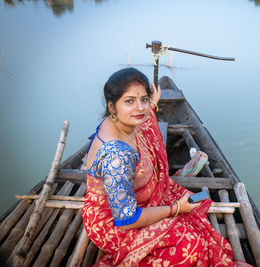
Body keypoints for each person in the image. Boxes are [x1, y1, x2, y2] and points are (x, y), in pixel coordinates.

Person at [82, 68, 239, 266]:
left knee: (146, 125)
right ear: (112, 107)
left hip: (129, 205)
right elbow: (127, 219)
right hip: (114, 223)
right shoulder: (116, 156)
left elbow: (146, 122)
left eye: (144, 100)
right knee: (192, 246)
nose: (140, 108)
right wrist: (175, 209)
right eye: (129, 101)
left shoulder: (122, 121)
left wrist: (153, 101)